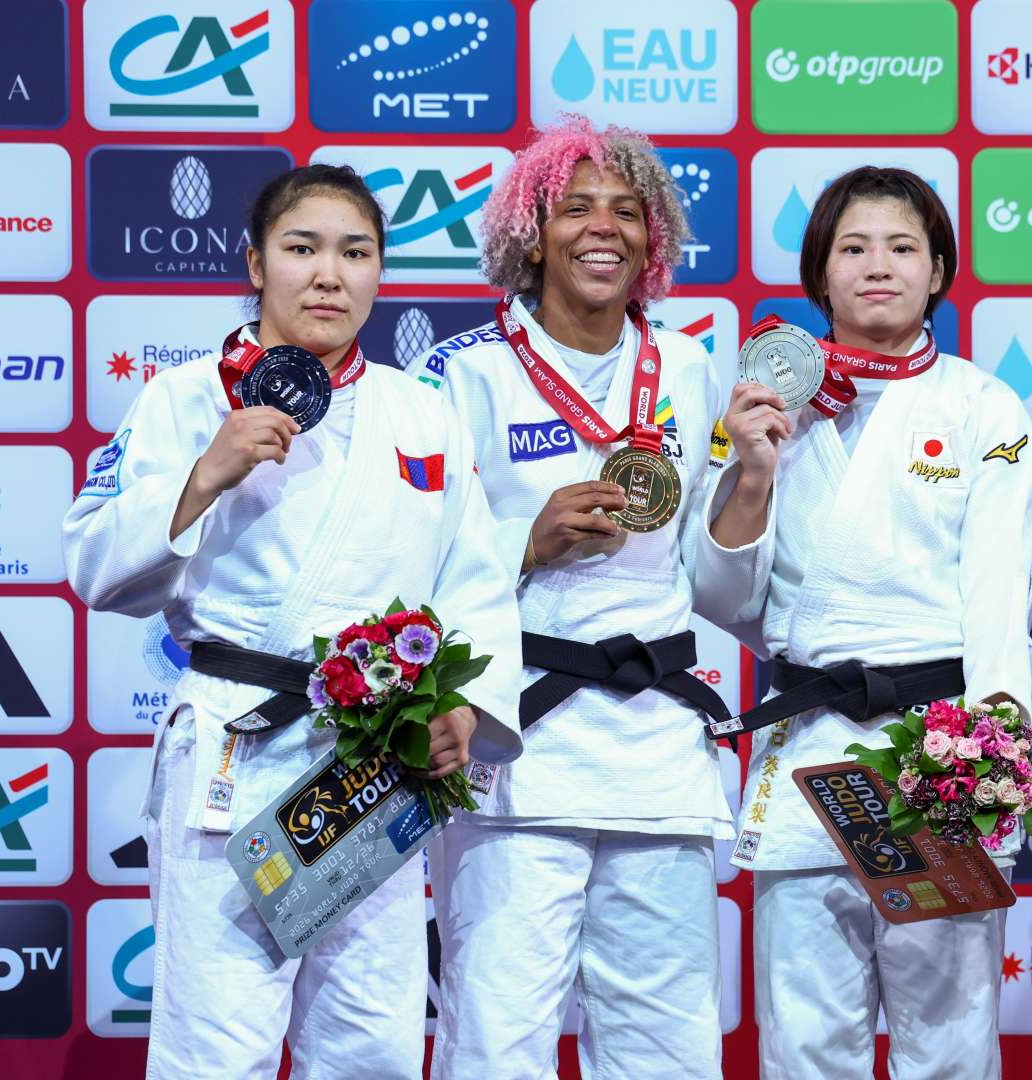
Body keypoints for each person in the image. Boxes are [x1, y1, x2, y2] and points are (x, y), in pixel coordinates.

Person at [62, 164, 524, 1080]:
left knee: (372, 1046)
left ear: (380, 274)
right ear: (255, 263)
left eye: (355, 253)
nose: (329, 274)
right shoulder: (188, 398)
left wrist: (465, 712)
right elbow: (93, 570)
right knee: (215, 1046)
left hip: (375, 771)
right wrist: (203, 475)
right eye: (302, 248)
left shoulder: (421, 412)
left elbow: (474, 585)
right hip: (237, 755)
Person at [411, 116, 785, 1080]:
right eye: (576, 207)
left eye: (628, 210)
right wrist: (522, 543)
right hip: (514, 753)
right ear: (530, 231)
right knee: (497, 1042)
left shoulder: (696, 370)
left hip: (659, 751)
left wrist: (747, 487)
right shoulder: (463, 377)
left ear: (653, 240)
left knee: (668, 1047)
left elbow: (721, 587)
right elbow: (411, 565)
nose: (603, 228)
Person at [715, 166, 1032, 1079]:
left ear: (938, 270)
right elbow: (722, 597)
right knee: (806, 1043)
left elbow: (997, 594)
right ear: (821, 274)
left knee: (948, 1040)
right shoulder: (764, 402)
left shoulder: (983, 405)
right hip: (812, 739)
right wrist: (751, 469)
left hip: (935, 756)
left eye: (903, 247)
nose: (878, 267)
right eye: (852, 248)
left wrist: (991, 754)